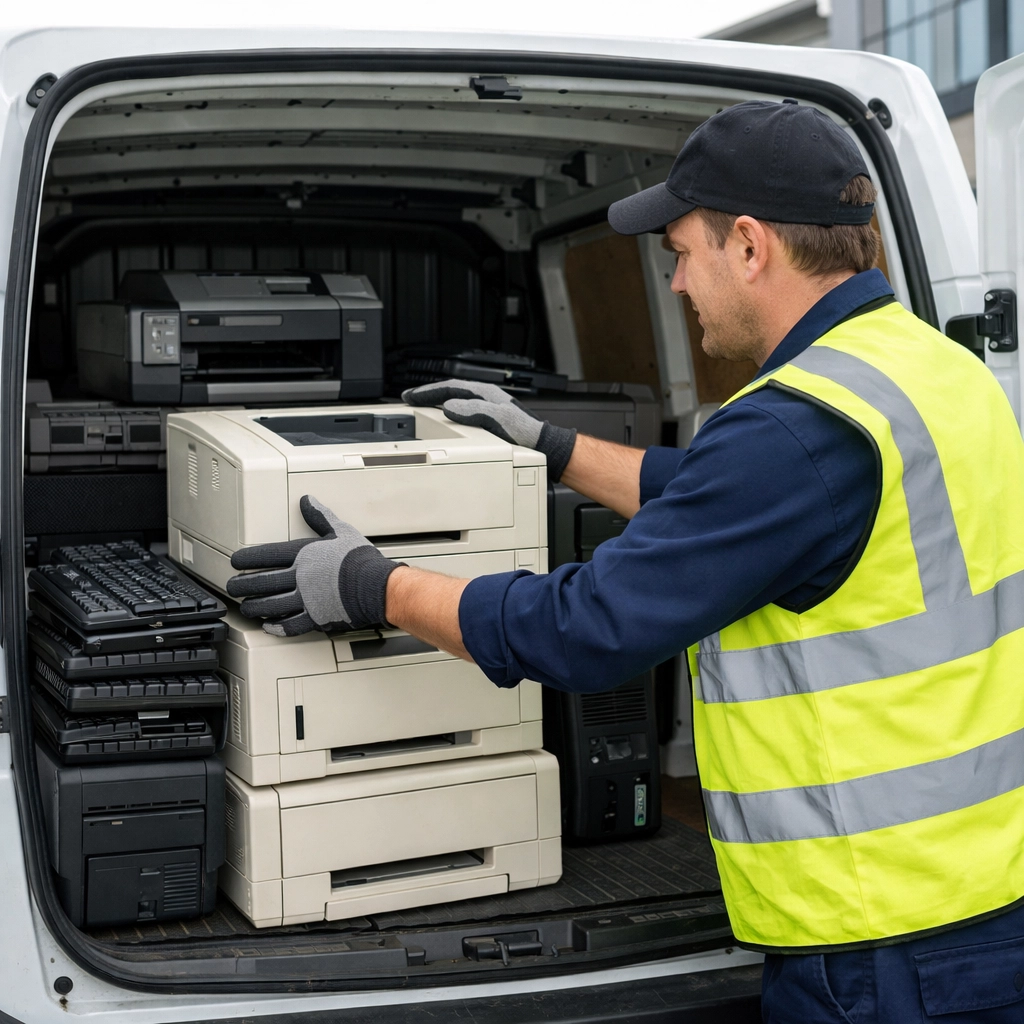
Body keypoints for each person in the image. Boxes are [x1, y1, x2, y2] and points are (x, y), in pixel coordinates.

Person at [225, 101, 1024, 1022]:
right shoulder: (934, 370)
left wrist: (374, 586)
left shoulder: (793, 427)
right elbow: (723, 504)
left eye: (681, 253)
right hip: (980, 888)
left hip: (879, 938)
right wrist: (552, 445)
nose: (677, 282)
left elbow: (586, 628)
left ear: (751, 246)